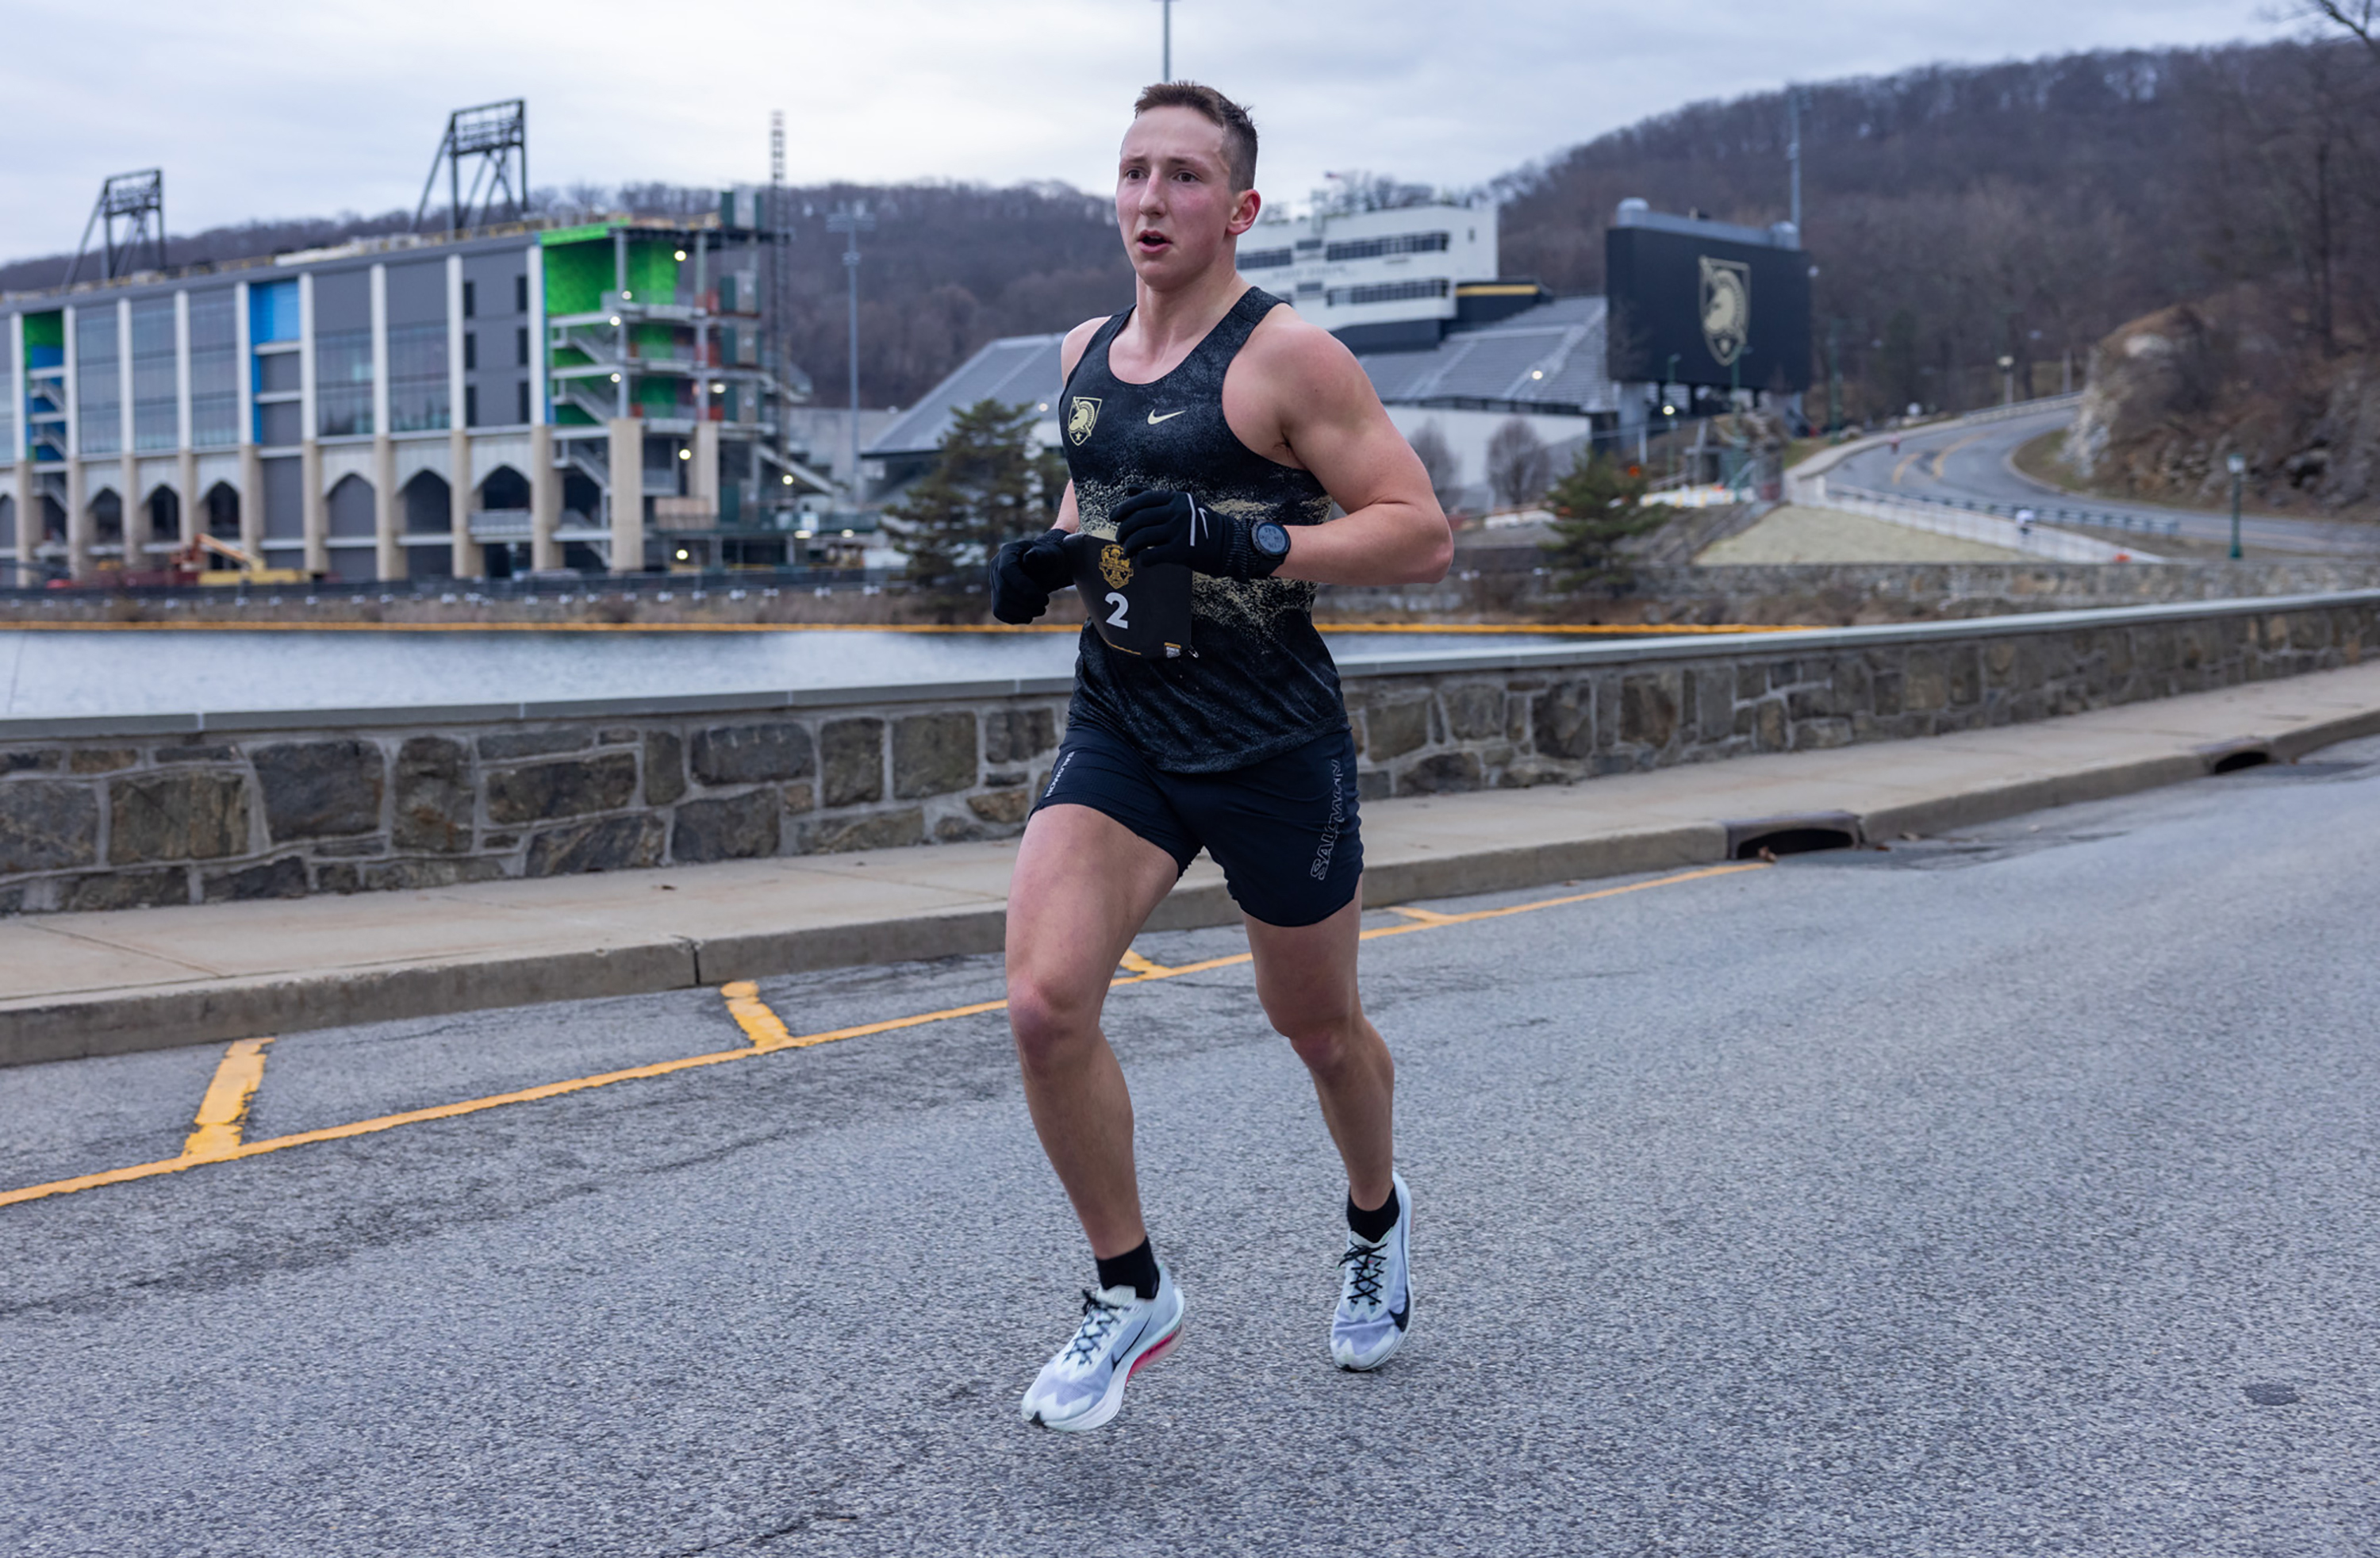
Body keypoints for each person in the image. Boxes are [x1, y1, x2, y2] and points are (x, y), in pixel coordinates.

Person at [985, 81, 1452, 1433]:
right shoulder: (1079, 352)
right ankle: (1130, 1291)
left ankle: (1376, 1215)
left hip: (1270, 743)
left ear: (1239, 208)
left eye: (1185, 177)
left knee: (1315, 1030)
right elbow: (1103, 503)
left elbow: (1418, 530)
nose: (1151, 200)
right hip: (1123, 726)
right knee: (1041, 1004)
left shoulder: (1289, 358)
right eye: (1134, 173)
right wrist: (1048, 554)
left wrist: (1261, 542)